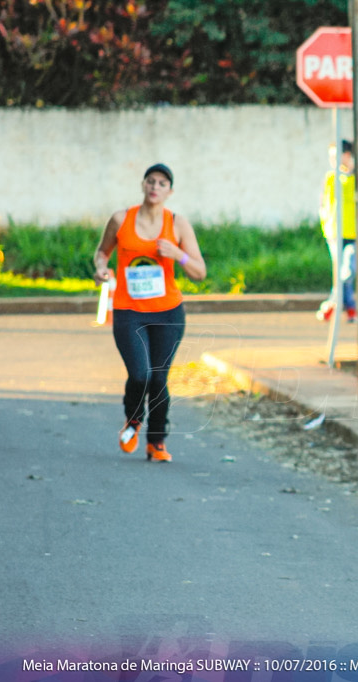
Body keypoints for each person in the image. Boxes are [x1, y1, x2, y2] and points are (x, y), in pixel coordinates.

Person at [92, 163, 206, 462]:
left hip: (168, 312)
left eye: (162, 183)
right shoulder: (121, 219)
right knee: (140, 375)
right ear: (143, 185)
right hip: (129, 311)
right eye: (151, 181)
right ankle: (132, 421)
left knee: (158, 378)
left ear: (170, 191)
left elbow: (199, 272)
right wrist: (102, 269)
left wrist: (177, 254)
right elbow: (102, 252)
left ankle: (156, 442)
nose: (155, 187)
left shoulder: (177, 224)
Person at [318, 140, 357, 323]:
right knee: (340, 272)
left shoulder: (357, 178)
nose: (332, 160)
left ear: (347, 155)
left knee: (347, 271)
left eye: (336, 155)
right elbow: (324, 204)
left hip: (354, 234)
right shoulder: (331, 178)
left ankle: (333, 303)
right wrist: (326, 227)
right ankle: (351, 309)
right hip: (334, 233)